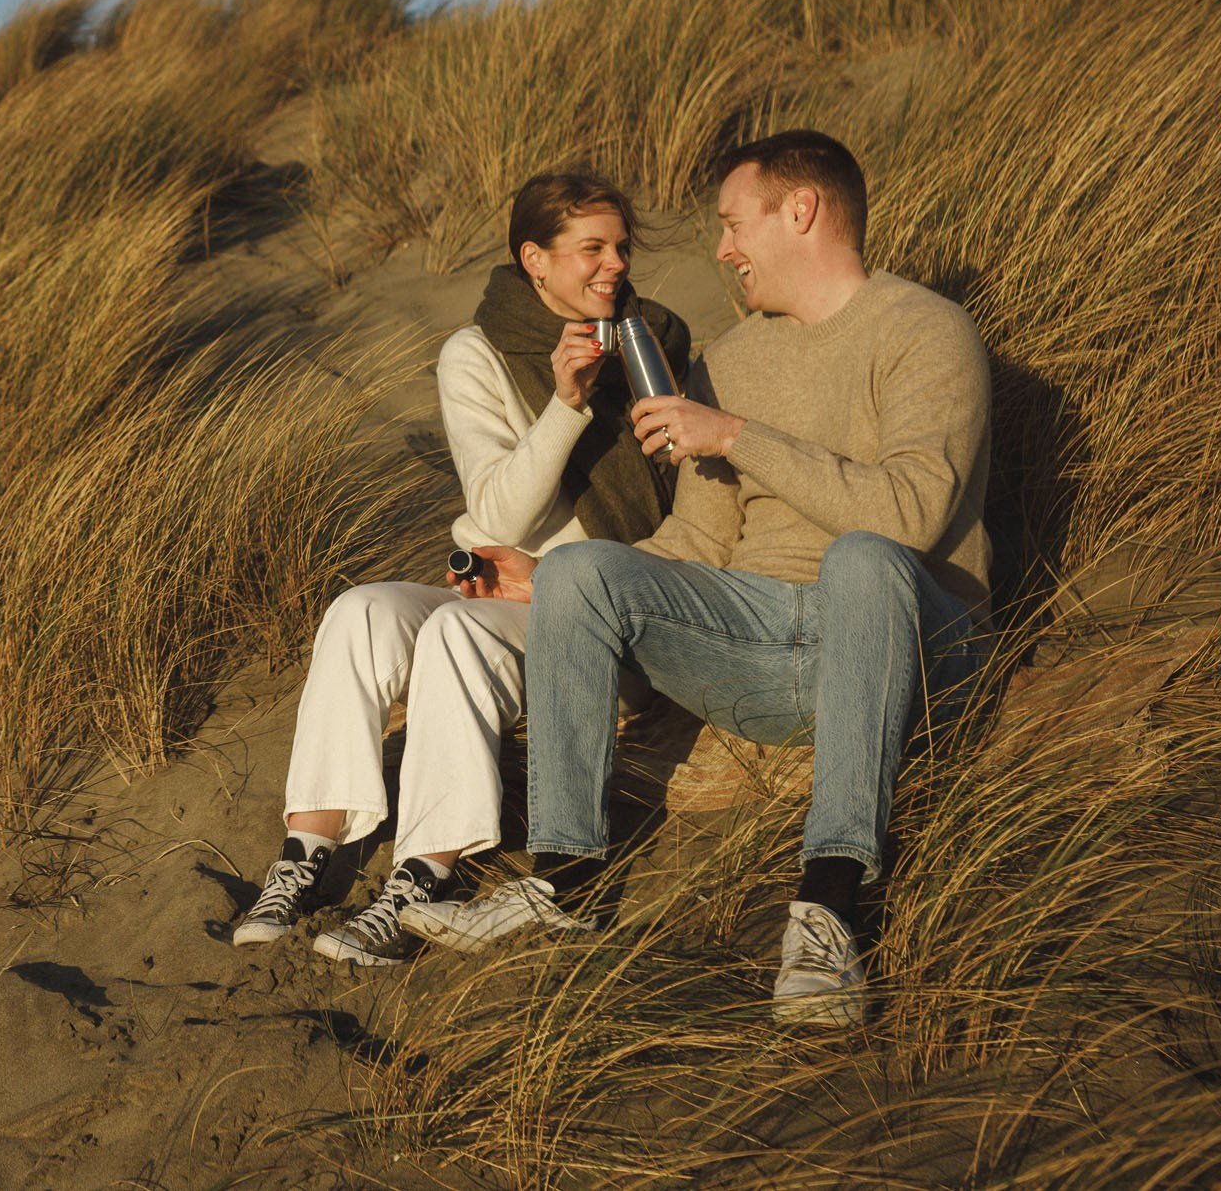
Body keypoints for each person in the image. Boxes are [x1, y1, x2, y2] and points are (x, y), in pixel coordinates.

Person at [401, 130, 990, 1026]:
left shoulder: (925, 329)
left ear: (801, 211)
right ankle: (566, 876)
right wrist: (553, 585)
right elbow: (697, 541)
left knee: (863, 557)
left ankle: (829, 907)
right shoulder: (733, 357)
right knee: (585, 571)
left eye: (731, 223)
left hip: (909, 636)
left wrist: (739, 438)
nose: (720, 249)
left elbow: (912, 515)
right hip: (761, 649)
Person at [231, 169, 691, 965]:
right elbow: (498, 513)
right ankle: (307, 852)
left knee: (457, 631)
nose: (615, 264)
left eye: (620, 246)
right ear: (535, 260)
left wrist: (537, 547)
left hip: (604, 602)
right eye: (592, 248)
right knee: (359, 611)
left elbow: (643, 513)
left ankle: (421, 875)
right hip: (504, 584)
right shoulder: (473, 353)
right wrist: (565, 404)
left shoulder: (655, 339)